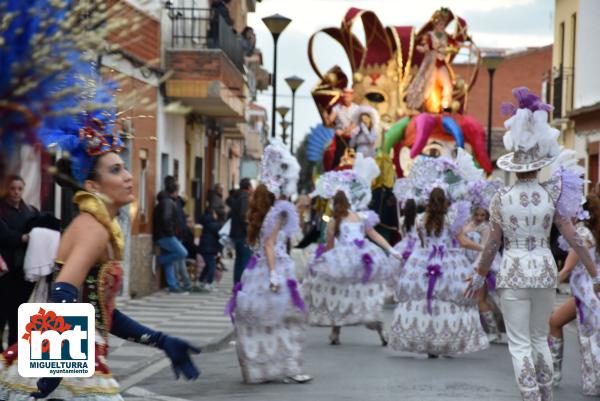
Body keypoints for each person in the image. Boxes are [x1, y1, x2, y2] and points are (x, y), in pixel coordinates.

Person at [0, 120, 200, 399]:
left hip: (70, 350)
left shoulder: (98, 226)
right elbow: (64, 290)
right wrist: (56, 364)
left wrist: (161, 341)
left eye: (125, 167)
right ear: (93, 185)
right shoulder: (92, 227)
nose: (129, 176)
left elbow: (101, 314)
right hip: (68, 360)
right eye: (116, 170)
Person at [465, 87, 600, 401]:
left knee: (520, 342)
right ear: (538, 167)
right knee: (540, 338)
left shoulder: (501, 198)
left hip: (513, 272)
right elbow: (575, 239)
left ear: (513, 166)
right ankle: (545, 395)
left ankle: (530, 396)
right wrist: (595, 274)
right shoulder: (551, 195)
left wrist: (478, 275)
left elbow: (491, 244)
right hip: (543, 271)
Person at [226, 139, 310, 384]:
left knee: (262, 322)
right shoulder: (278, 213)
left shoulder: (260, 215)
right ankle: (287, 368)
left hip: (256, 271)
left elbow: (262, 245)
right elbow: (270, 245)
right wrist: (274, 275)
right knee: (284, 321)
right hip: (274, 269)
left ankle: (257, 365)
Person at [389, 188, 488, 356]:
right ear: (445, 201)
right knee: (450, 302)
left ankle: (428, 342)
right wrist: (483, 248)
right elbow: (463, 242)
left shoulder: (420, 219)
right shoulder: (451, 219)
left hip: (423, 261)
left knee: (425, 301)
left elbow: (422, 242)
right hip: (449, 262)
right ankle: (448, 343)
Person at [305, 190, 402, 345]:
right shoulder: (361, 217)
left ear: (334, 204)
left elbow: (329, 246)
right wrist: (392, 250)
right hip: (364, 258)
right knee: (366, 295)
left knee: (342, 294)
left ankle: (335, 332)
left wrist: (320, 259)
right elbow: (375, 236)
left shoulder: (333, 220)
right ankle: (381, 330)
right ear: (349, 203)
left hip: (343, 260)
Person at [548, 195, 600, 395]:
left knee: (591, 339)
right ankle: (553, 373)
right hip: (587, 291)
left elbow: (567, 268)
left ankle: (555, 374)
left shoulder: (583, 233)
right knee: (555, 321)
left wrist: (548, 285)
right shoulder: (594, 232)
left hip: (588, 293)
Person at [0, 175, 39, 352]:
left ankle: (13, 353)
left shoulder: (30, 211)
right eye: (12, 188)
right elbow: (4, 235)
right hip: (4, 271)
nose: (16, 192)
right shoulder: (2, 211)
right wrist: (22, 238)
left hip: (23, 271)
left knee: (19, 315)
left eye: (19, 189)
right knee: (1, 314)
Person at [463, 206, 503, 343]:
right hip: (468, 264)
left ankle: (494, 331)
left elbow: (486, 249)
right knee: (471, 300)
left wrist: (478, 268)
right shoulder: (467, 225)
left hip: (484, 266)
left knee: (481, 299)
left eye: (482, 215)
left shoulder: (487, 228)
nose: (480, 218)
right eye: (477, 215)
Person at [405, 7, 457, 113]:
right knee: (428, 84)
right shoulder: (429, 35)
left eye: (443, 24)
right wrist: (424, 49)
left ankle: (445, 106)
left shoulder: (446, 36)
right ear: (435, 24)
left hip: (441, 63)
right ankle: (424, 105)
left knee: (447, 84)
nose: (442, 26)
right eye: (440, 24)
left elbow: (454, 45)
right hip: (431, 63)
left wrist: (452, 49)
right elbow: (423, 46)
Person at [153, 176, 189, 293]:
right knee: (182, 253)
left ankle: (172, 285)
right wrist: (170, 233)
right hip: (165, 235)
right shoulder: (168, 202)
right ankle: (158, 260)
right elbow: (166, 219)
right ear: (174, 192)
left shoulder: (166, 201)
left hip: (162, 234)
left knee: (170, 261)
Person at [322, 88, 359, 169]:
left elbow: (354, 124)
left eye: (348, 96)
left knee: (354, 159)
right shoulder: (337, 108)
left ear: (352, 97)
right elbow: (329, 122)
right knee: (338, 158)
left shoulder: (357, 109)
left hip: (353, 138)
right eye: (344, 96)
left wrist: (343, 131)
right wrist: (325, 115)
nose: (346, 98)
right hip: (341, 138)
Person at [227, 177, 252, 284]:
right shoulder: (245, 198)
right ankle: (242, 284)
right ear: (248, 187)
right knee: (244, 260)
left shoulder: (237, 197)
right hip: (243, 234)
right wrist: (249, 231)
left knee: (238, 260)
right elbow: (243, 216)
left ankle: (237, 283)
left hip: (236, 232)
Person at [198, 207, 222, 292]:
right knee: (212, 265)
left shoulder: (205, 222)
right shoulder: (214, 224)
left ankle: (200, 281)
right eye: (215, 213)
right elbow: (220, 235)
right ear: (212, 214)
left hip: (204, 246)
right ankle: (208, 283)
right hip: (210, 247)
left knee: (208, 265)